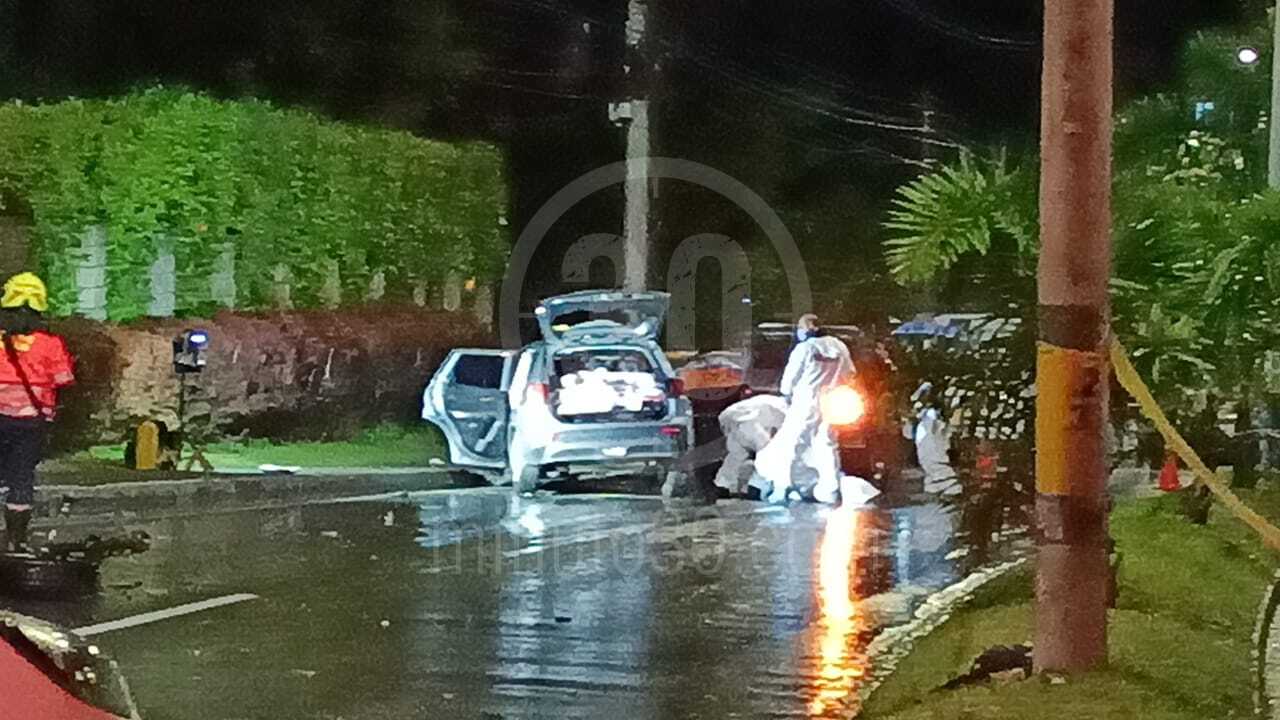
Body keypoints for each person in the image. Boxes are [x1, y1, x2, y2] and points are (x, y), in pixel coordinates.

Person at [0, 273, 75, 553]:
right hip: (30, 423)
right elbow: (64, 379)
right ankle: (15, 540)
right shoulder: (50, 345)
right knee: (20, 479)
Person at [754, 314, 854, 503]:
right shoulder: (839, 346)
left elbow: (788, 382)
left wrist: (787, 394)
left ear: (806, 329)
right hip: (831, 401)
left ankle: (785, 486)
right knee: (827, 444)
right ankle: (831, 490)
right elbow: (850, 374)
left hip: (805, 402)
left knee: (794, 443)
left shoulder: (804, 348)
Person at [713, 393, 788, 497]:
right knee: (767, 452)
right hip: (748, 421)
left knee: (737, 456)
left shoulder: (773, 402)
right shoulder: (788, 410)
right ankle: (758, 488)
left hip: (728, 418)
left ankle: (723, 487)